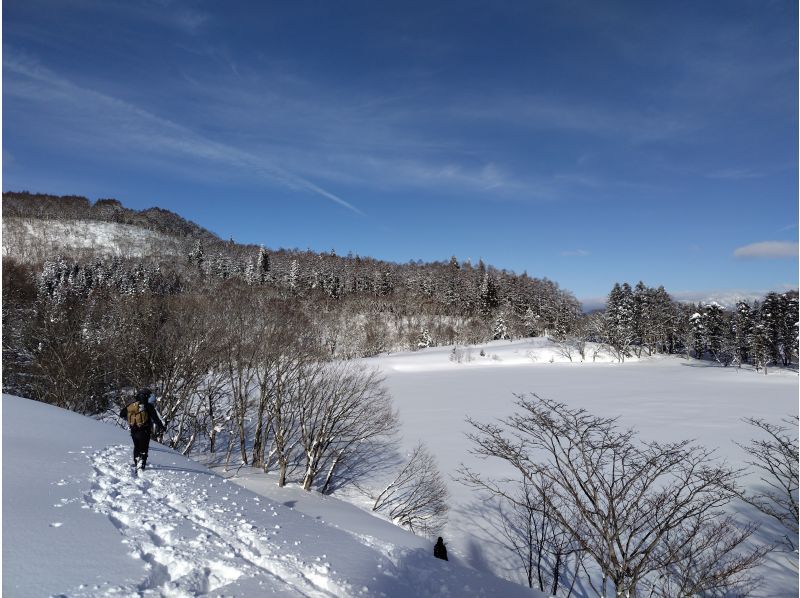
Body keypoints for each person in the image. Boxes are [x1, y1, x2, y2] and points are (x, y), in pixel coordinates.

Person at [119, 388, 165, 471]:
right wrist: (162, 427)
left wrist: (131, 419)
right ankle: (141, 465)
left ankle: (136, 461)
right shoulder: (148, 406)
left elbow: (121, 414)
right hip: (144, 430)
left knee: (136, 446)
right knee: (144, 448)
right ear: (147, 396)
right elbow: (156, 419)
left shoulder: (132, 405)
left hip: (133, 430)